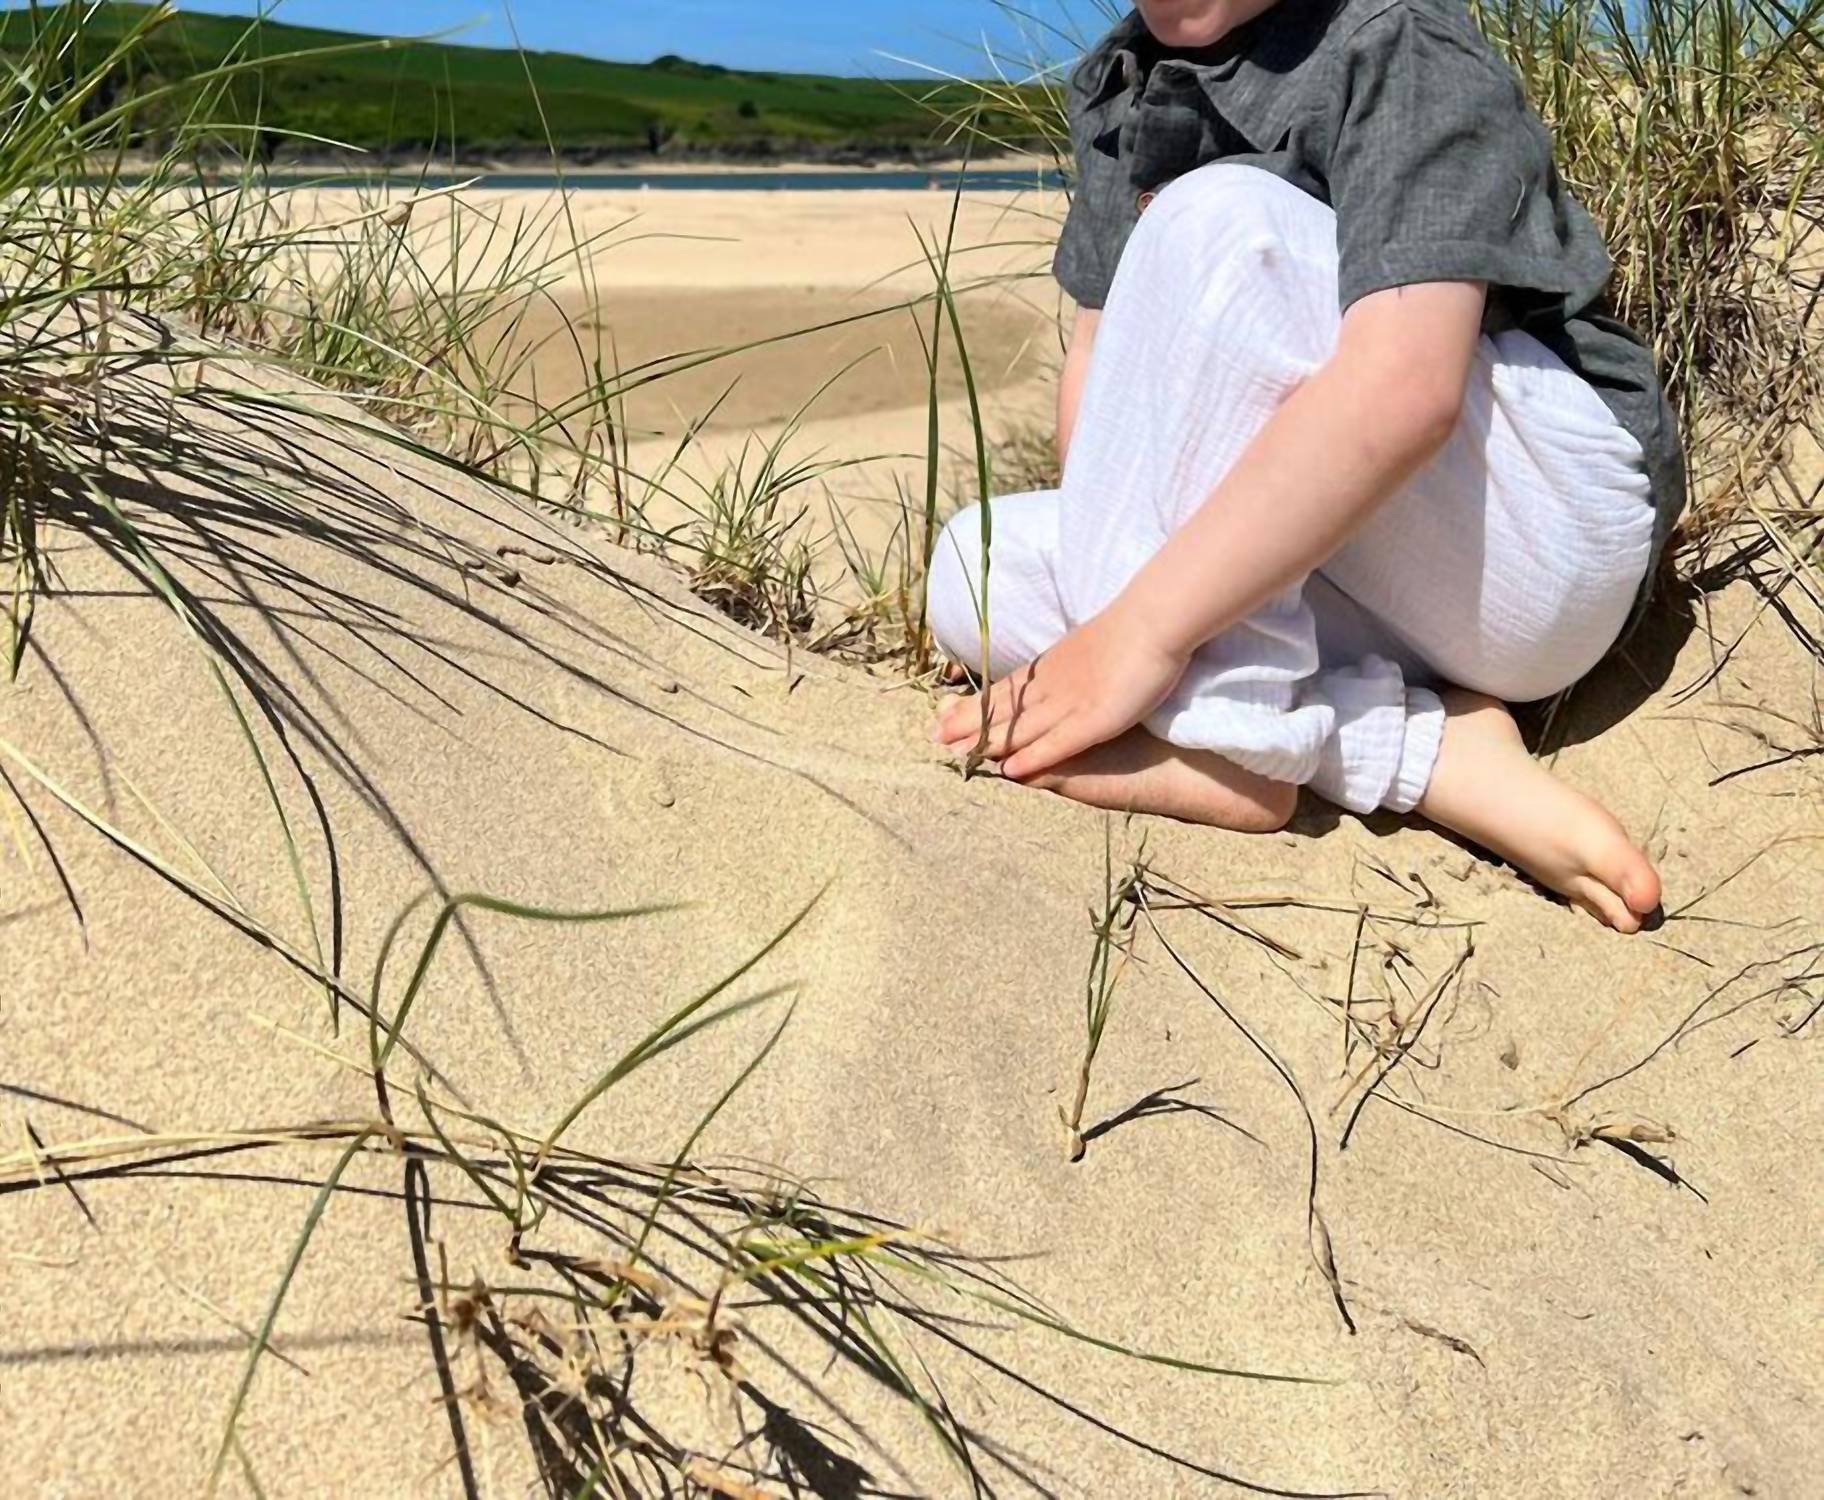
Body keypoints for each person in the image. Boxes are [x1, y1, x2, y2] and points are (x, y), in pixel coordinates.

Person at [924, 0, 1685, 933]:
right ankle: (1413, 749)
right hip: (1361, 563)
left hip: (1534, 524)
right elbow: (1102, 376)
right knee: (974, 568)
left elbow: (1406, 388)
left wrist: (1140, 634)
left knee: (1219, 221)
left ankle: (1237, 743)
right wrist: (1109, 602)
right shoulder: (1122, 80)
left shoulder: (1393, 37)